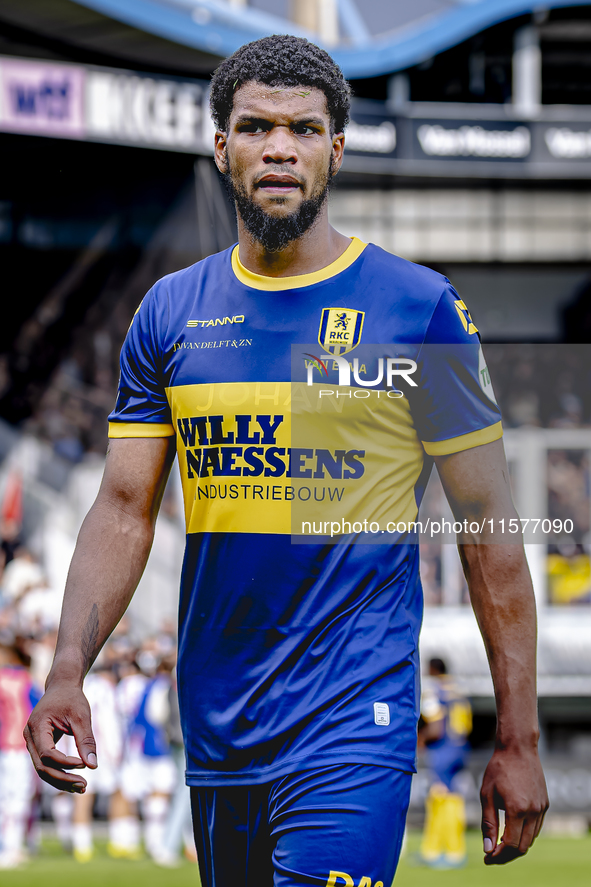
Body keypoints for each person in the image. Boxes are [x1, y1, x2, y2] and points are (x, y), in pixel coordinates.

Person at [24, 34, 548, 887]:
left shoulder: (417, 308)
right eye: (256, 126)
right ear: (220, 145)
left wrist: (517, 737)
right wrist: (66, 671)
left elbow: (487, 531)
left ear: (335, 150)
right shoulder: (169, 313)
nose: (279, 147)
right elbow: (122, 509)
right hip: (220, 722)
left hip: (354, 717)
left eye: (303, 129)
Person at [418, 657, 472, 868]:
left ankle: (447, 853)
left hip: (442, 751)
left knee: (439, 799)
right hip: (460, 748)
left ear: (432, 669)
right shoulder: (458, 691)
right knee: (453, 798)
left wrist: (420, 739)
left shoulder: (434, 691)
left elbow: (436, 727)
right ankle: (444, 851)